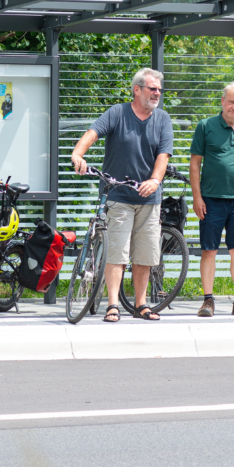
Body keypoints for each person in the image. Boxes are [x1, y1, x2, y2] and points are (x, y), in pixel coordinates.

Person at [71, 68, 173, 322]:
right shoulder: (117, 113)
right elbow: (92, 133)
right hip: (119, 196)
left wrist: (155, 180)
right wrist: (77, 154)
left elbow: (163, 155)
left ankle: (140, 304)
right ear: (137, 89)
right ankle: (113, 304)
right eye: (152, 88)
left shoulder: (162, 119)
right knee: (117, 252)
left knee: (145, 254)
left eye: (159, 89)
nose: (157, 93)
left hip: (149, 199)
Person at [189, 81, 234, 318]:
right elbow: (195, 164)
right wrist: (197, 197)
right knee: (209, 250)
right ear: (222, 101)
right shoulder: (205, 126)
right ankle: (208, 301)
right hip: (210, 200)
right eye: (231, 102)